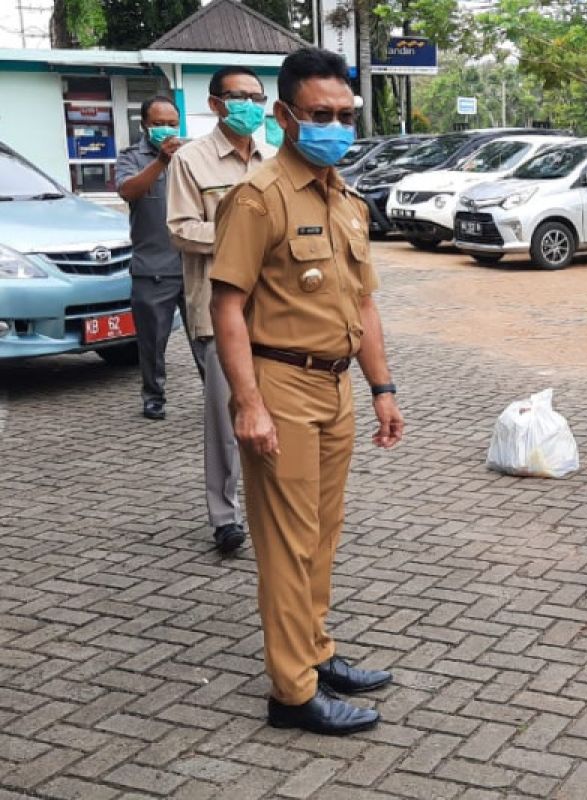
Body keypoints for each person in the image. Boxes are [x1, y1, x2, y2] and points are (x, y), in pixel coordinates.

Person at [210, 46, 404, 736]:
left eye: (346, 115)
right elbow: (226, 305)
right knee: (286, 544)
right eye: (321, 115)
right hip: (280, 385)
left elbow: (366, 306)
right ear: (286, 116)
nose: (336, 126)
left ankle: (316, 652)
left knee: (320, 535)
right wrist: (248, 402)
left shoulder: (346, 199)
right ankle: (292, 693)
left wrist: (381, 386)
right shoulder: (259, 197)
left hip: (336, 388)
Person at [167, 66, 268, 554]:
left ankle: (272, 509)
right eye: (239, 96)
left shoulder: (274, 160)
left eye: (257, 96)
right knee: (226, 420)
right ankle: (225, 517)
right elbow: (182, 230)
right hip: (217, 309)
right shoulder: (192, 161)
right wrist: (242, 238)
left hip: (275, 312)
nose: (250, 104)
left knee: (276, 413)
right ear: (215, 104)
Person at [115, 95, 200, 420]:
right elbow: (128, 191)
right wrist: (161, 162)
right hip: (153, 270)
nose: (166, 129)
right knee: (152, 343)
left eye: (171, 123)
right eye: (158, 123)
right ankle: (154, 398)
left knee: (207, 340)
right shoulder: (131, 158)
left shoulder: (191, 156)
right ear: (144, 125)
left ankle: (218, 396)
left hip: (194, 266)